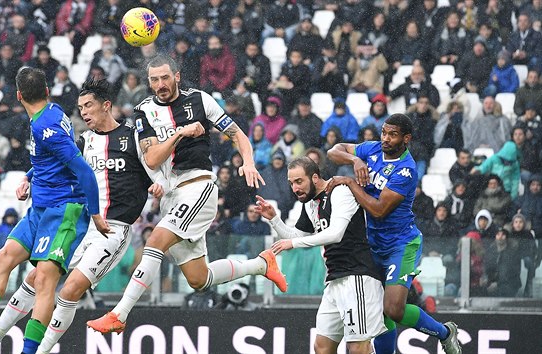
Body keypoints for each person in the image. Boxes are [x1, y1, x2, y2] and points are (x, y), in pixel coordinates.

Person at [86, 55, 286, 334]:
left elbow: (237, 134)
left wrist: (249, 162)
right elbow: (153, 158)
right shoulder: (144, 111)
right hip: (171, 196)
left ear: (177, 76)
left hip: (199, 185)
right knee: (198, 279)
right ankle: (261, 264)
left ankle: (119, 313)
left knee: (155, 240)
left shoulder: (200, 100)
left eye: (165, 77)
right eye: (154, 80)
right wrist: (180, 133)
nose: (160, 84)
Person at [0, 78, 166, 354]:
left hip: (112, 229)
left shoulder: (131, 137)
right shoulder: (85, 141)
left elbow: (155, 169)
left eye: (89, 106)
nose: (83, 112)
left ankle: (39, 350)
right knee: (36, 278)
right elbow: (57, 161)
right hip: (84, 222)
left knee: (69, 289)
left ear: (106, 106)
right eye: (81, 107)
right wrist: (27, 177)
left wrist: (157, 184)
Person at [0, 67, 107, 354]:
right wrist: (29, 176)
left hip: (64, 210)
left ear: (18, 95)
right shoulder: (54, 111)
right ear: (47, 92)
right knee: (4, 257)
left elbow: (83, 170)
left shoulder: (42, 127)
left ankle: (28, 352)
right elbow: (49, 158)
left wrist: (95, 212)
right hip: (39, 209)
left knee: (44, 278)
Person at [327, 114, 462, 354]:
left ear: (406, 138)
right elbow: (333, 151)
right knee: (378, 309)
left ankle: (445, 333)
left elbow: (378, 210)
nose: (386, 139)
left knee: (394, 309)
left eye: (393, 134)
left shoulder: (406, 170)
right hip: (372, 243)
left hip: (401, 244)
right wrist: (354, 160)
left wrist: (350, 182)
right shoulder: (372, 149)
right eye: (384, 133)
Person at [255, 157, 386, 354]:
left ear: (315, 177)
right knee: (322, 347)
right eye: (291, 183)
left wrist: (292, 243)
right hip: (333, 281)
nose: (295, 188)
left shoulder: (340, 191)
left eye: (299, 181)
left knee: (358, 348)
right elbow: (297, 235)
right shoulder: (309, 203)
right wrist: (274, 219)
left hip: (357, 276)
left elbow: (335, 233)